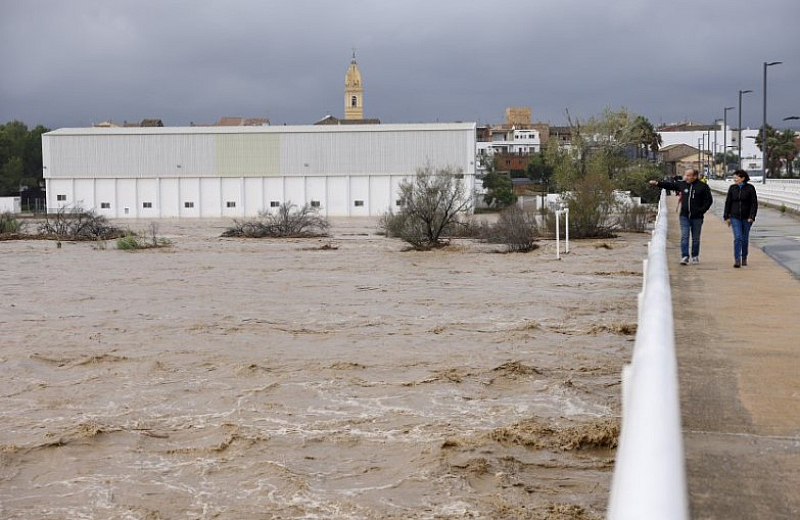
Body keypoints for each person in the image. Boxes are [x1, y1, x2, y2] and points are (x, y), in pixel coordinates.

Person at [649, 168, 714, 265]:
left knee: (695, 238)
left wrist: (701, 211)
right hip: (684, 216)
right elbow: (670, 186)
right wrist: (658, 183)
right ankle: (685, 256)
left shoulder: (703, 187)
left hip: (697, 217)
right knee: (684, 236)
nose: (686, 177)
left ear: (694, 176)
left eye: (688, 175)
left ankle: (695, 256)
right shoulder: (682, 184)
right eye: (685, 175)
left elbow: (709, 200)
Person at [723, 170, 758, 268]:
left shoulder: (750, 188)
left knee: (744, 239)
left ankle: (744, 257)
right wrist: (726, 216)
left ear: (743, 178)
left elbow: (754, 203)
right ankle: (737, 259)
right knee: (738, 237)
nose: (734, 179)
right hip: (735, 216)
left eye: (736, 177)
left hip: (747, 218)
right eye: (734, 177)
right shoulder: (732, 188)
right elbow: (728, 202)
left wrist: (752, 216)